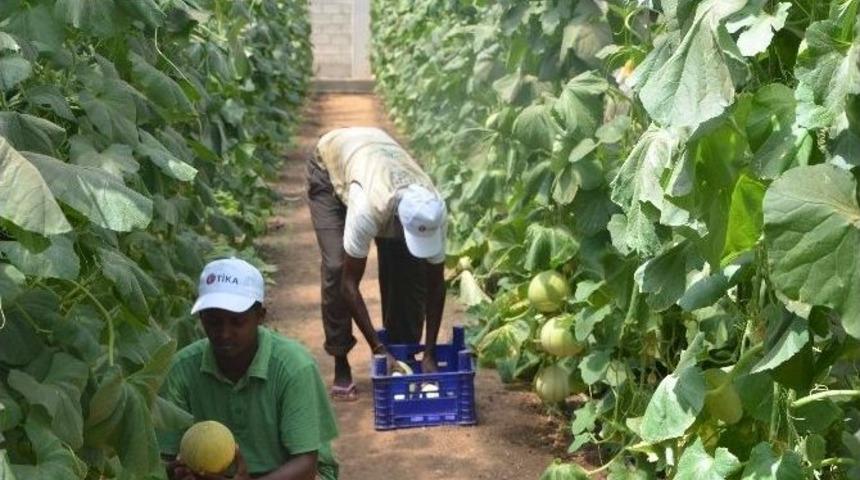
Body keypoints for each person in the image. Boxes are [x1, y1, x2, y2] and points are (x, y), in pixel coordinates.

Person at [158, 257, 339, 480]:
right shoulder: (181, 370)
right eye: (214, 322)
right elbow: (163, 458)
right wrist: (176, 472)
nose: (224, 333)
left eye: (237, 322)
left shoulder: (294, 367)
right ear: (202, 318)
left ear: (260, 316)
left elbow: (307, 465)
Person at [306, 127, 447, 400]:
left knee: (410, 271)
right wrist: (378, 349)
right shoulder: (369, 207)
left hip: (377, 155)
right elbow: (349, 285)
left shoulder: (433, 210)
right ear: (399, 221)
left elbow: (436, 285)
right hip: (331, 165)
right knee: (337, 267)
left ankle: (403, 353)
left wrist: (429, 352)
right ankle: (340, 360)